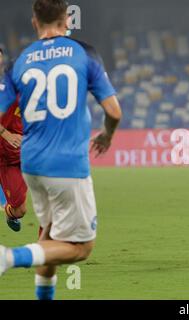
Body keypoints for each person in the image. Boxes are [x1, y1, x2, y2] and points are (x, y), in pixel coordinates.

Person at [0, 0, 122, 301]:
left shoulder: (20, 62)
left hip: (31, 163)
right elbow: (114, 112)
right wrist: (106, 135)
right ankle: (8, 257)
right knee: (80, 248)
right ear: (67, 20)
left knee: (50, 234)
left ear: (34, 22)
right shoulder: (84, 54)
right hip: (66, 165)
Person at [0, 48, 28, 232]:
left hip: (19, 154)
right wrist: (6, 134)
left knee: (20, 210)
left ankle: (9, 212)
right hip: (4, 157)